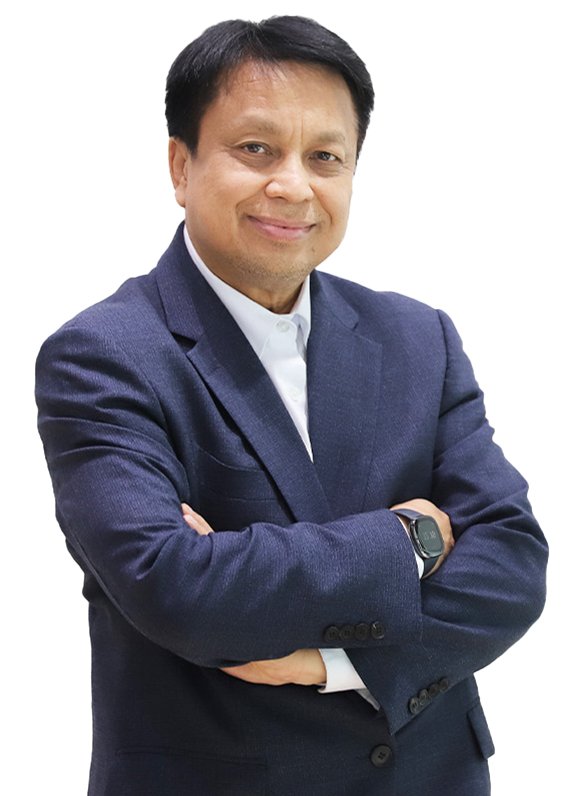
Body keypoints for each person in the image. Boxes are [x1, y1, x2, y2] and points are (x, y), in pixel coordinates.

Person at [35, 15, 547, 796]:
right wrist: (411, 539)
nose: (294, 186)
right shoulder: (105, 355)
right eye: (256, 149)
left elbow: (511, 567)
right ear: (181, 165)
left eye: (325, 157)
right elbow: (177, 589)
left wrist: (326, 662)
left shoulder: (418, 338)